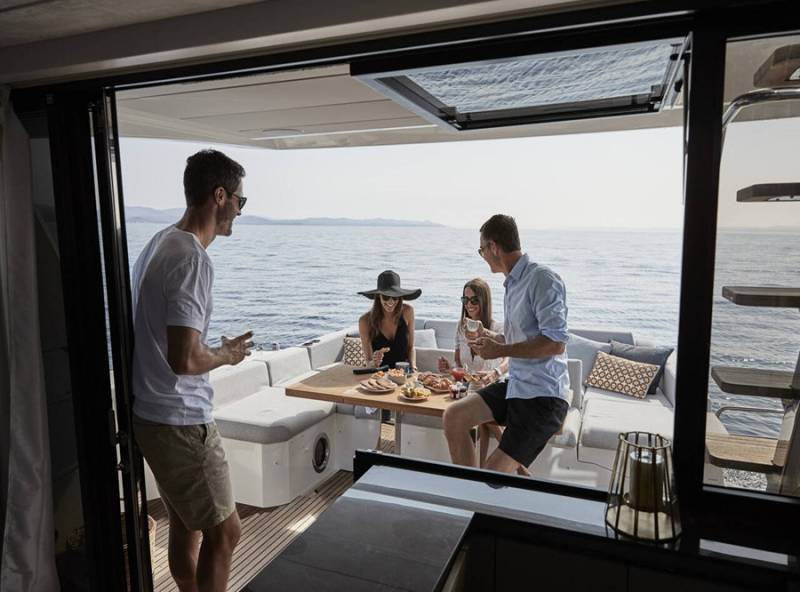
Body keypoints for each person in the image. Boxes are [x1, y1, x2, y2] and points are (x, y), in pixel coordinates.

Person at [131, 149, 253, 592]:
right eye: (240, 201)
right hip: (182, 421)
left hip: (152, 416)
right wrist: (226, 355)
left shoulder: (160, 242)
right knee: (226, 533)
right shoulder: (192, 259)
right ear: (220, 196)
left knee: (185, 524)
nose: (240, 211)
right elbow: (183, 360)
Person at [442, 214, 570, 475]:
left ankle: (480, 492)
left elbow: (556, 343)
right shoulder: (513, 284)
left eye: (482, 250)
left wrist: (500, 350)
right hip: (517, 387)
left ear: (494, 247)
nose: (483, 256)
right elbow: (517, 339)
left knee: (492, 476)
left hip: (543, 397)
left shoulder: (542, 279)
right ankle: (468, 490)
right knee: (454, 416)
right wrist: (490, 337)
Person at [437, 278, 509, 468]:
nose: (469, 304)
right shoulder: (461, 328)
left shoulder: (497, 328)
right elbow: (458, 363)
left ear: (484, 301)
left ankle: (480, 469)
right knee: (478, 412)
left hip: (493, 385)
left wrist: (494, 372)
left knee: (482, 413)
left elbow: (509, 359)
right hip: (469, 386)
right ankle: (486, 467)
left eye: (474, 300)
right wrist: (449, 369)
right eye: (465, 300)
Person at [357, 270, 421, 371]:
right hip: (379, 376)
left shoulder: (408, 311)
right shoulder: (364, 321)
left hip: (403, 374)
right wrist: (374, 362)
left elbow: (410, 347)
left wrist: (413, 367)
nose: (391, 302)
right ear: (379, 296)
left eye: (395, 297)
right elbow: (369, 362)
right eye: (386, 297)